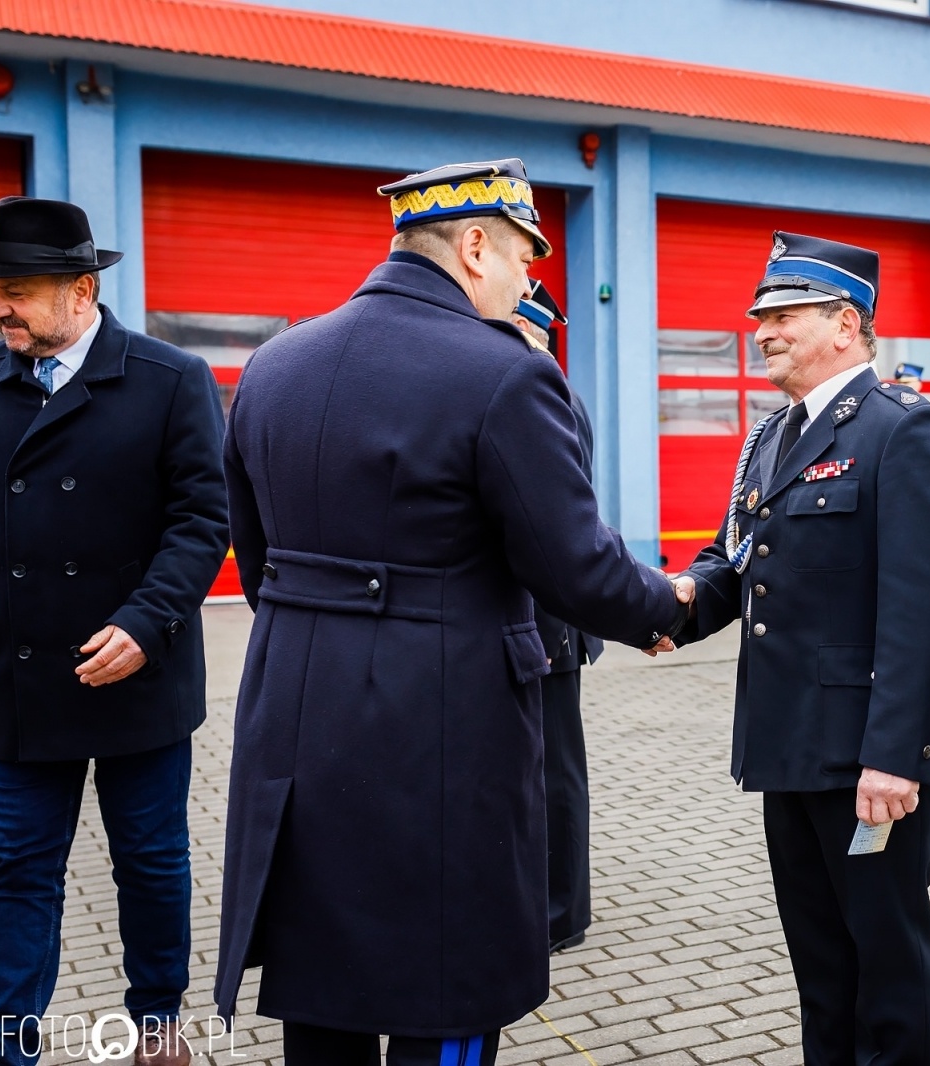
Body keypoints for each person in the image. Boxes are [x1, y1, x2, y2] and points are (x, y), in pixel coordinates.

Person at [216, 159, 687, 1066]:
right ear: (475, 247)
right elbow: (573, 566)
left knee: (324, 987)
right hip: (442, 733)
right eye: (521, 261)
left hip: (294, 721)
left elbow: (259, 558)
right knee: (451, 985)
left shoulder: (272, 366)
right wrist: (671, 602)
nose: (524, 284)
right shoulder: (502, 374)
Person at [672, 231, 930, 1065]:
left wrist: (895, 755)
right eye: (757, 316)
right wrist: (670, 607)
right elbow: (735, 560)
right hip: (788, 749)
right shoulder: (774, 436)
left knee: (889, 973)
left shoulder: (900, 430)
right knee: (821, 971)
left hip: (865, 764)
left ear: (846, 323)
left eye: (781, 314)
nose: (760, 330)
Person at [0, 197, 228, 1066]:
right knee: (16, 870)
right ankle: (7, 1042)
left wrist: (146, 620)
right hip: (16, 689)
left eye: (17, 289)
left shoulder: (171, 379)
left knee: (152, 864)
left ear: (81, 291)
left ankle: (158, 1022)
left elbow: (204, 521)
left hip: (139, 677)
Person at [512, 279, 603, 954]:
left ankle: (560, 913)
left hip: (548, 618)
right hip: (542, 613)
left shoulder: (542, 393)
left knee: (556, 770)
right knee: (538, 763)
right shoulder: (539, 385)